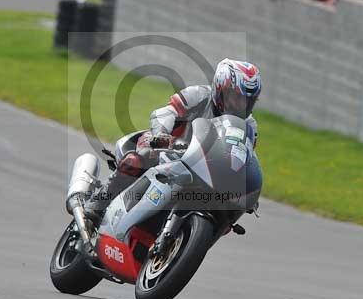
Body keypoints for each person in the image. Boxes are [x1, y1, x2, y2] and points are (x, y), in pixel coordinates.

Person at [84, 59, 262, 223]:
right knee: (142, 155)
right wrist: (161, 135)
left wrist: (247, 188)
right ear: (220, 89)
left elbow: (243, 157)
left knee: (227, 209)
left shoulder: (249, 126)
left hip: (205, 170)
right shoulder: (199, 95)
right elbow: (165, 113)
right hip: (169, 150)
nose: (241, 105)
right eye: (236, 98)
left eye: (248, 100)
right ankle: (99, 203)